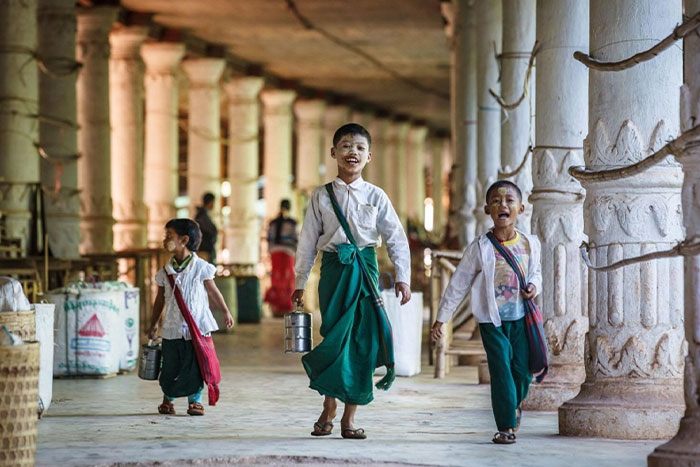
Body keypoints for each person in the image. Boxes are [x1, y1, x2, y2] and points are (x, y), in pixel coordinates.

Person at [291, 123, 412, 440]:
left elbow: (396, 238)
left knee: (362, 342)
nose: (352, 152)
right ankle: (328, 407)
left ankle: (349, 417)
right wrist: (300, 281)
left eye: (359, 147)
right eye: (345, 146)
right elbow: (307, 242)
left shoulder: (376, 195)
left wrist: (403, 277)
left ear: (369, 156)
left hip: (366, 272)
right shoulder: (321, 196)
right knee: (333, 339)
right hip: (333, 273)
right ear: (333, 153)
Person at [430, 180, 542, 445]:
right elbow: (458, 284)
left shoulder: (530, 244)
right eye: (496, 201)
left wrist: (534, 286)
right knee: (501, 368)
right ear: (487, 209)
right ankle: (505, 426)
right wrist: (441, 318)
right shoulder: (480, 247)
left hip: (521, 318)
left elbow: (536, 272)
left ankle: (514, 405)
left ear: (521, 208)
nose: (502, 204)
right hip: (492, 321)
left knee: (523, 371)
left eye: (509, 200)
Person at [147, 218, 234, 416]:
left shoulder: (201, 267)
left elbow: (214, 292)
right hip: (171, 328)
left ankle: (195, 401)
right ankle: (167, 399)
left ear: (184, 240)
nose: (164, 240)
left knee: (194, 367)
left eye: (169, 236)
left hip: (196, 328)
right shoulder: (164, 272)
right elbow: (159, 300)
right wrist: (153, 324)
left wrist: (225, 311)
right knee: (169, 366)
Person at [263, 199, 298, 317]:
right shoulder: (292, 223)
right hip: (288, 253)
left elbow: (269, 239)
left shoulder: (272, 223)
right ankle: (287, 308)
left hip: (275, 254)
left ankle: (276, 309)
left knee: (276, 279)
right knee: (288, 279)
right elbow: (296, 240)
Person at [195, 192, 218, 264]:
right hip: (205, 251)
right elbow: (208, 232)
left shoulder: (203, 215)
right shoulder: (202, 216)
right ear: (210, 202)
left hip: (206, 250)